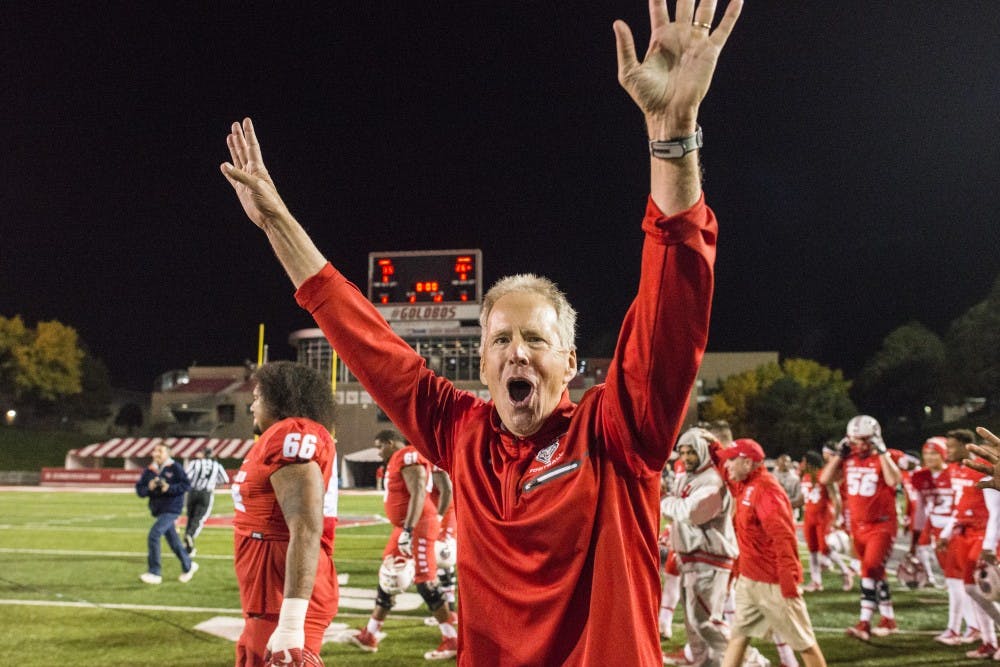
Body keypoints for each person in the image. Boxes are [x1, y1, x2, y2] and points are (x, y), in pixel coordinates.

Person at [219, 1, 742, 663]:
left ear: (570, 361)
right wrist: (276, 222)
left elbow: (673, 304)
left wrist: (673, 136)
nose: (516, 350)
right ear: (484, 362)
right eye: (500, 340)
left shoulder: (617, 433)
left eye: (535, 339)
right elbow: (363, 336)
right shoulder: (462, 432)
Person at [231, 361, 339, 666]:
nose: (252, 407)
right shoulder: (277, 437)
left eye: (258, 398)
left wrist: (291, 625)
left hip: (280, 592)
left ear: (280, 401)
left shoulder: (292, 433)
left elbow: (305, 527)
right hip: (269, 591)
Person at [349, 429, 459, 660]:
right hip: (407, 527)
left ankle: (451, 639)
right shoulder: (402, 458)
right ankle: (370, 634)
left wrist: (409, 529)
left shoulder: (408, 455)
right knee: (389, 576)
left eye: (380, 446)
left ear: (391, 443)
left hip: (418, 526)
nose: (379, 452)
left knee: (425, 582)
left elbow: (419, 490)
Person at [719, 439, 826, 667]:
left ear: (747, 463)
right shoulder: (745, 484)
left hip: (773, 583)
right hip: (749, 580)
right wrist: (711, 444)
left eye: (731, 460)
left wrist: (789, 581)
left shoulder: (766, 491)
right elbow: (723, 470)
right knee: (738, 636)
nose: (727, 465)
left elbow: (783, 538)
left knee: (804, 643)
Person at [819, 415, 902, 641]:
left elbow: (894, 480)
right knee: (877, 571)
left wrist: (883, 452)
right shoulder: (849, 457)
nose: (860, 445)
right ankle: (888, 619)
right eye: (856, 441)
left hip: (882, 524)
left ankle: (864, 623)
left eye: (865, 440)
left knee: (869, 568)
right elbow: (825, 479)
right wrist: (839, 454)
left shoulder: (887, 456)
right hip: (859, 525)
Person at [660, 427, 738, 667]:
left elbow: (692, 513)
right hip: (691, 558)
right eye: (682, 452)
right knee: (694, 622)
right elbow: (678, 511)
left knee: (706, 622)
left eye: (691, 452)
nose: (686, 457)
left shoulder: (713, 480)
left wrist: (664, 500)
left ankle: (750, 661)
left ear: (702, 451)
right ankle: (703, 662)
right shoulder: (687, 478)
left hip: (709, 559)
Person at [937, 429, 1000, 660]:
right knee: (973, 589)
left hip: (984, 534)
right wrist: (946, 532)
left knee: (987, 590)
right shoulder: (961, 469)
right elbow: (960, 505)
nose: (948, 451)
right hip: (966, 533)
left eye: (952, 446)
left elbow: (996, 512)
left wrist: (990, 545)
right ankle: (988, 641)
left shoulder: (985, 471)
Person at [135, 443, 197, 584]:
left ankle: (154, 572)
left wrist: (169, 488)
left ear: (168, 454)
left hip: (172, 509)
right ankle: (189, 566)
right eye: (155, 450)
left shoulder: (175, 468)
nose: (156, 453)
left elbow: (186, 485)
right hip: (158, 511)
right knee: (174, 542)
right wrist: (149, 487)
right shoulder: (150, 470)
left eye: (160, 451)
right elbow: (140, 491)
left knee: (154, 535)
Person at [800, 451, 852, 593]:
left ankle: (845, 571)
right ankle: (816, 581)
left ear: (810, 463)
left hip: (824, 515)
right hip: (809, 516)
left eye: (803, 462)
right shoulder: (804, 477)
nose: (801, 465)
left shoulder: (824, 475)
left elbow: (836, 498)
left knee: (825, 549)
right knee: (812, 550)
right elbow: (802, 498)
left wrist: (836, 519)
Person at [183, 446, 230, 556]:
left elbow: (186, 476)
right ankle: (190, 536)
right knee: (198, 518)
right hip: (206, 494)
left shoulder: (195, 463)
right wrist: (213, 482)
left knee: (190, 518)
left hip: (192, 493)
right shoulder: (216, 465)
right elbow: (225, 479)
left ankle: (188, 546)